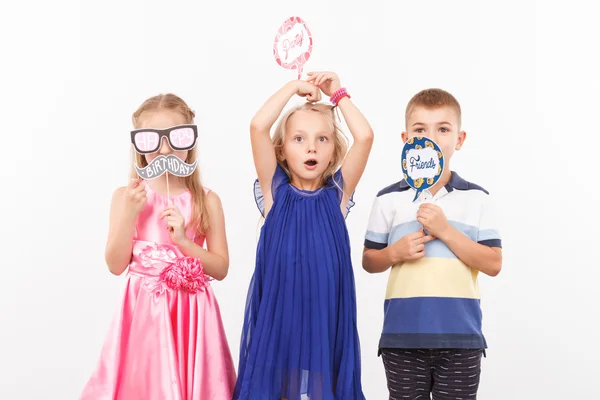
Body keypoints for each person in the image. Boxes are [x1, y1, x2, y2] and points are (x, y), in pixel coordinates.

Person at [80, 94, 236, 400]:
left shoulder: (207, 200)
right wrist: (129, 214)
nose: (165, 149)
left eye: (175, 138)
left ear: (190, 142)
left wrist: (183, 242)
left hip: (193, 313)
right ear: (139, 145)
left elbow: (221, 268)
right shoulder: (125, 197)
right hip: (144, 312)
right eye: (153, 140)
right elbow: (115, 265)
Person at [234, 72, 374, 400]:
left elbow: (365, 137)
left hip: (325, 314)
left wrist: (337, 93)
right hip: (279, 314)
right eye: (299, 139)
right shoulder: (275, 191)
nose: (311, 146)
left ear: (333, 150)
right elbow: (257, 126)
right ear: (281, 151)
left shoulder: (338, 193)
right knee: (280, 386)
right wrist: (292, 89)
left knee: (324, 384)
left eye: (322, 139)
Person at [362, 88, 503, 399]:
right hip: (402, 337)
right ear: (405, 138)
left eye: (443, 129)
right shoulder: (388, 199)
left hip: (460, 337)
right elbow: (369, 261)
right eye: (420, 129)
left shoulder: (477, 198)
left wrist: (445, 230)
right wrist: (394, 253)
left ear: (460, 139)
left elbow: (493, 264)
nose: (431, 138)